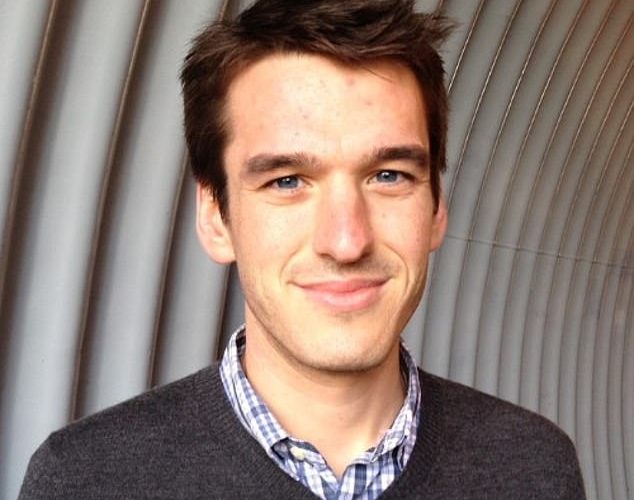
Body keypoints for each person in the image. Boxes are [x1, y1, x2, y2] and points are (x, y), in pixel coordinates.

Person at [20, 0, 586, 498]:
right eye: (287, 181)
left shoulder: (533, 468)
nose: (346, 241)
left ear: (437, 208)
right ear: (215, 217)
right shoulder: (85, 481)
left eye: (388, 176)